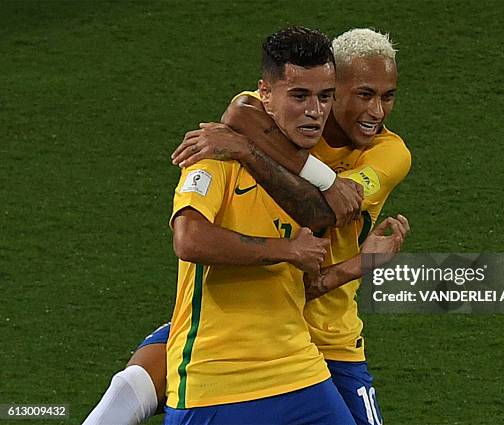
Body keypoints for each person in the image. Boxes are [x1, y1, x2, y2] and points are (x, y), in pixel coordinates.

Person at [83, 28, 410, 425]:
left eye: (387, 96)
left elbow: (321, 213)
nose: (376, 111)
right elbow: (239, 112)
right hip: (254, 320)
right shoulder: (249, 132)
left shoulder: (387, 153)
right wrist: (295, 173)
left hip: (323, 328)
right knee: (138, 382)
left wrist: (259, 155)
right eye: (364, 94)